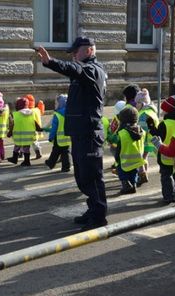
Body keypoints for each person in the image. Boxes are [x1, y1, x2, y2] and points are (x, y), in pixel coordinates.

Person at [37, 36, 108, 231]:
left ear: (89, 50)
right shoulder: (85, 71)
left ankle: (99, 215)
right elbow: (75, 71)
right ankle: (93, 209)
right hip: (80, 132)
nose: (74, 56)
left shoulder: (93, 70)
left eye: (76, 52)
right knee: (83, 176)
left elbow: (74, 69)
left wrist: (51, 62)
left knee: (92, 177)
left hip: (89, 133)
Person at [155, 96, 175, 204]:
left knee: (166, 176)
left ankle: (168, 196)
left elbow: (158, 137)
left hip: (165, 154)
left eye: (163, 110)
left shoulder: (164, 124)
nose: (162, 112)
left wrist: (152, 130)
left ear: (168, 111)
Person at [114, 107, 145, 195]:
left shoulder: (122, 133)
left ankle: (126, 185)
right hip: (137, 159)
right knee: (133, 172)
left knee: (122, 172)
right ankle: (133, 185)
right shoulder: (141, 131)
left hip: (124, 158)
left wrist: (117, 158)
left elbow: (119, 148)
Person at [6, 97, 42, 166]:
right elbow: (34, 122)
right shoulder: (31, 113)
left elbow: (13, 125)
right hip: (29, 136)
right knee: (26, 148)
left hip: (19, 136)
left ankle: (14, 158)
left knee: (16, 147)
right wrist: (39, 129)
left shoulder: (16, 115)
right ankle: (26, 161)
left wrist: (10, 133)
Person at [135, 88, 159, 186]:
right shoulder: (152, 112)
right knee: (145, 158)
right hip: (151, 141)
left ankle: (142, 173)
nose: (136, 105)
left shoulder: (143, 115)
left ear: (142, 104)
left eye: (137, 103)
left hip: (144, 142)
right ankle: (145, 173)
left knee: (140, 158)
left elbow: (142, 131)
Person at [44, 94, 71, 172]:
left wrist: (51, 137)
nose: (55, 105)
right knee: (66, 152)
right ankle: (66, 167)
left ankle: (50, 163)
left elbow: (54, 128)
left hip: (58, 137)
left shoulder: (58, 115)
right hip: (67, 137)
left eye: (56, 103)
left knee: (55, 151)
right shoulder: (70, 113)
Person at [24, 94, 44, 159]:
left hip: (30, 128)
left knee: (26, 143)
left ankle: (23, 154)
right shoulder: (36, 109)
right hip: (37, 128)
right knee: (35, 142)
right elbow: (41, 112)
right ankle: (38, 152)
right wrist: (41, 105)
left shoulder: (28, 111)